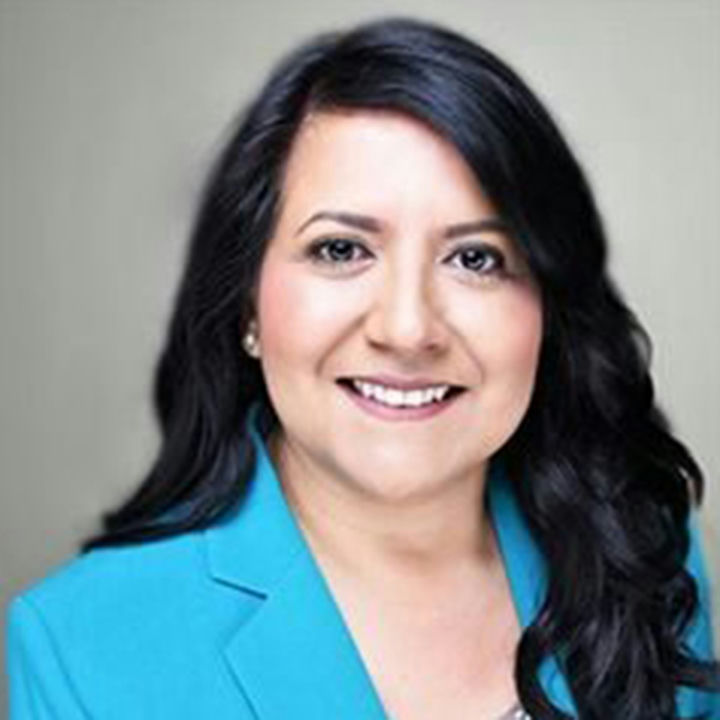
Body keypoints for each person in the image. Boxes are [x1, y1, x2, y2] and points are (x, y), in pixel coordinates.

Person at [6, 16, 719, 720]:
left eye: (476, 258)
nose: (407, 329)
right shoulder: (81, 647)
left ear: (550, 307)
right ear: (248, 304)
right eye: (341, 250)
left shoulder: (642, 551)